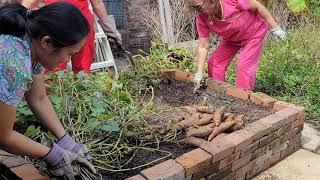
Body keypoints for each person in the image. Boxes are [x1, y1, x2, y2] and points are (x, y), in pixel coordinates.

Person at [0, 2, 96, 179]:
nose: (68, 61)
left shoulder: (29, 41)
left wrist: (66, 140)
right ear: (47, 42)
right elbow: (3, 136)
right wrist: (52, 155)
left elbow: (39, 98)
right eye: (69, 54)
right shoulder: (13, 63)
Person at [190, 0, 287, 91]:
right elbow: (203, 46)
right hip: (231, 38)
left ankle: (242, 97)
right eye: (195, 9)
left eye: (199, 7)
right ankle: (220, 93)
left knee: (244, 66)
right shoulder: (202, 19)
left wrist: (275, 28)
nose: (199, 11)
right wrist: (199, 73)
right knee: (215, 63)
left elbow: (258, 6)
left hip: (254, 33)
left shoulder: (232, 1)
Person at [22, 0, 122, 74]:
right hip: (58, 25)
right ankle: (56, 98)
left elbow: (97, 3)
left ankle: (76, 98)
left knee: (80, 69)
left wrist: (110, 30)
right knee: (54, 70)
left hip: (81, 27)